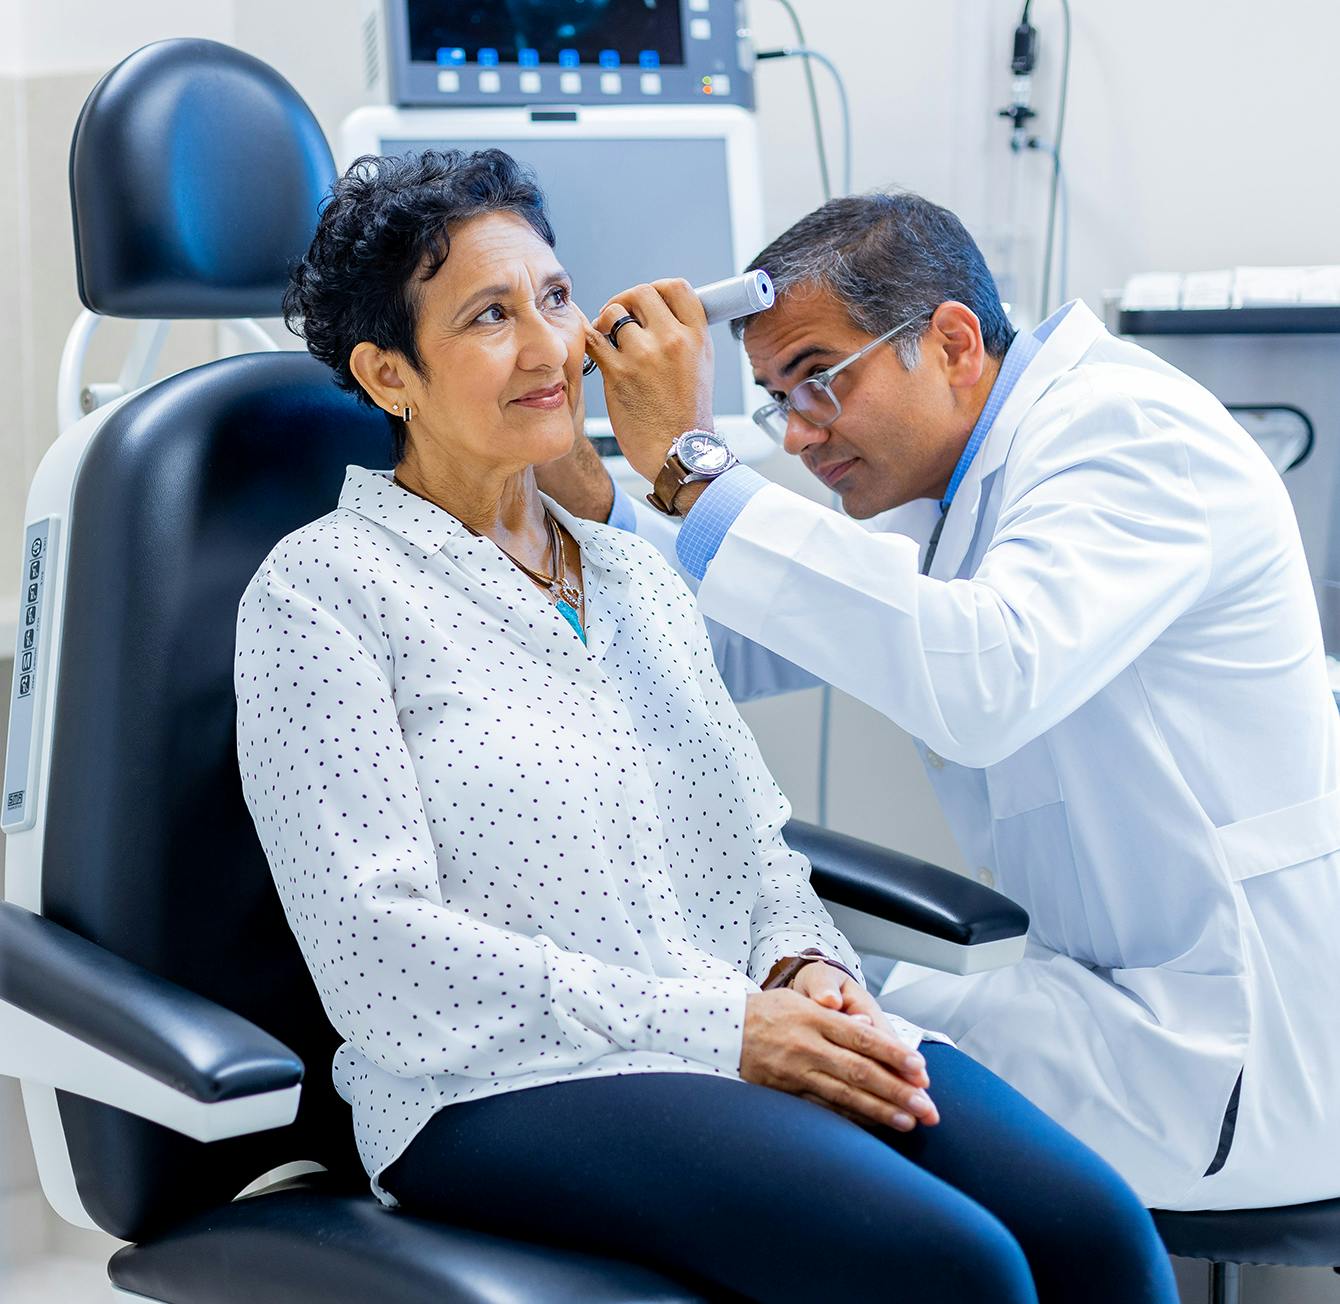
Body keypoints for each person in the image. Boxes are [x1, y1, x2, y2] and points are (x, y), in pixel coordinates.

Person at [234, 150, 1176, 1302]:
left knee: (1094, 1233)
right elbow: (383, 957)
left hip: (726, 1028)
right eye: (489, 315)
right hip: (494, 1084)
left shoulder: (629, 570)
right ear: (389, 373)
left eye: (554, 296)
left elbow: (749, 842)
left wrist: (805, 963)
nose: (548, 347)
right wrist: (726, 1022)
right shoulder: (322, 590)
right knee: (949, 1266)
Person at [537, 188, 1340, 1213]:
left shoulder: (1123, 434)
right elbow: (743, 639)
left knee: (754, 1056)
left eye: (814, 380)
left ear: (951, 341)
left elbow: (981, 679)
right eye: (777, 400)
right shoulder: (955, 483)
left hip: (1226, 1054)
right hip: (1112, 1006)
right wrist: (594, 495)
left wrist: (691, 468)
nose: (794, 434)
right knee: (766, 1014)